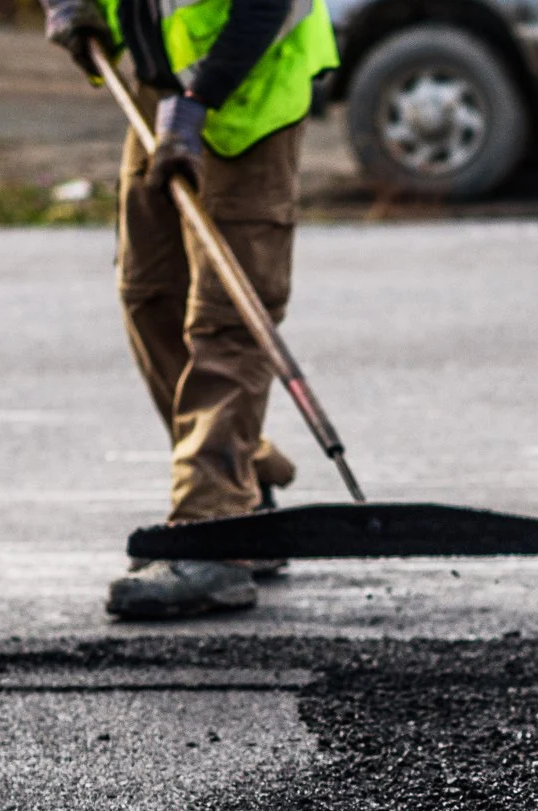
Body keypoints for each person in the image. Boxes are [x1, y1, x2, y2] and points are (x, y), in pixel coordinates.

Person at [44, 0, 335, 621]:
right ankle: (242, 478)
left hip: (248, 91)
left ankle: (213, 532)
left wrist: (201, 99)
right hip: (161, 86)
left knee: (227, 317)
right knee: (149, 296)